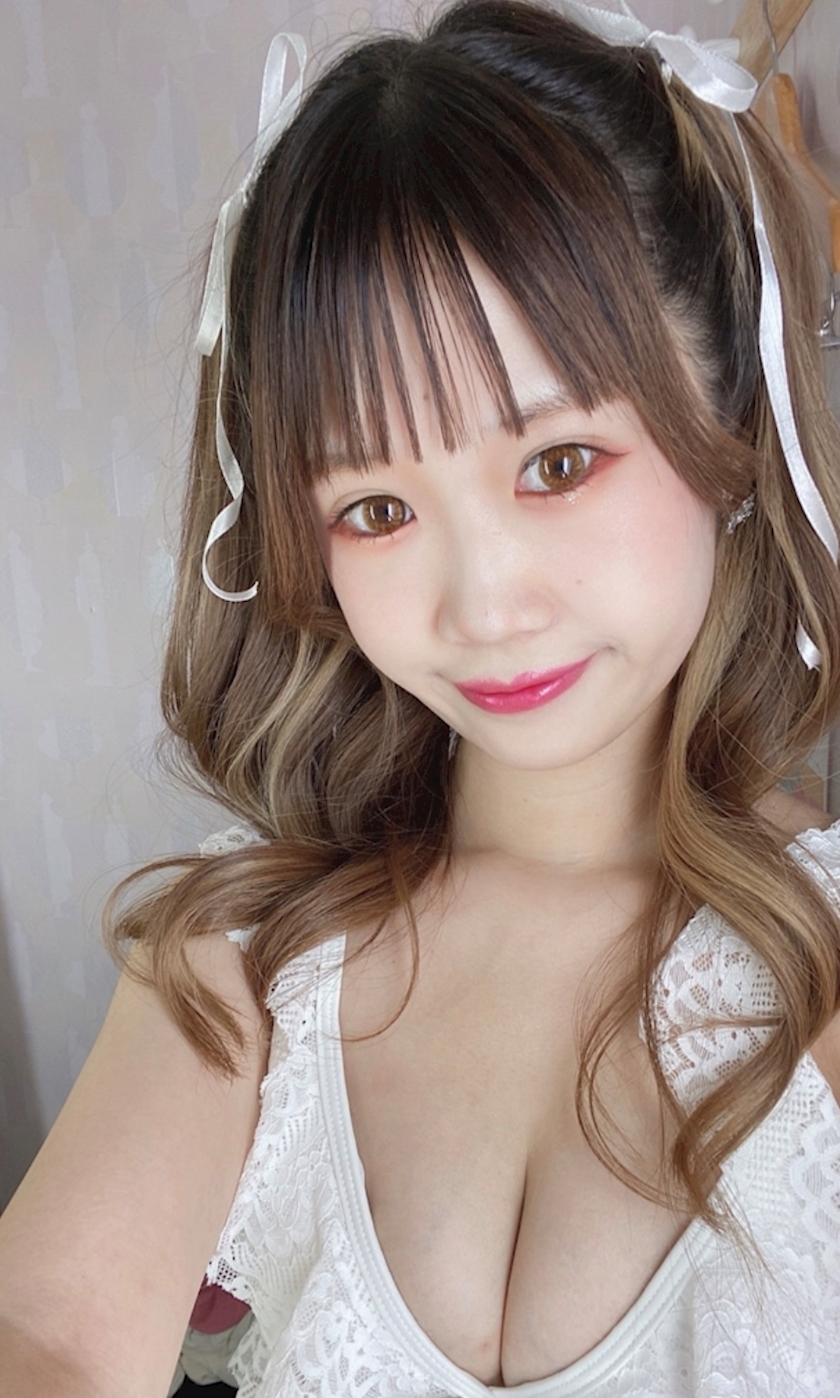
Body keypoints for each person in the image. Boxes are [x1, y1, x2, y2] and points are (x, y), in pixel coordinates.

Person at [2, 1, 840, 1393]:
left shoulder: (824, 959)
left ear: (732, 425)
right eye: (377, 507)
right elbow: (51, 1335)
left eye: (558, 464)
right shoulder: (242, 956)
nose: (483, 605)